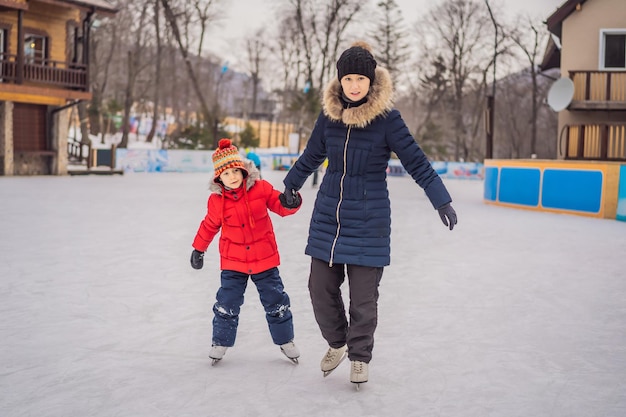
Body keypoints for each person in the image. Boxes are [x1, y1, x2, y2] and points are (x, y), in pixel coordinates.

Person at [279, 41, 458, 386]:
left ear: (371, 81)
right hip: (329, 218)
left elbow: (416, 161)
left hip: (370, 219)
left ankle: (360, 357)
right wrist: (291, 185)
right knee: (319, 289)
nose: (355, 85)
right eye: (348, 78)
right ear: (340, 81)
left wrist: (441, 199)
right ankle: (337, 343)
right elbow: (312, 155)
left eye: (361, 78)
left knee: (364, 299)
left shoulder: (387, 119)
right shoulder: (329, 116)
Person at [190, 138, 303, 365]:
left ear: (243, 170)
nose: (231, 176)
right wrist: (198, 249)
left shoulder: (261, 189)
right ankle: (220, 342)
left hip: (265, 260)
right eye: (225, 173)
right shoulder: (216, 201)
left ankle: (286, 340)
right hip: (233, 263)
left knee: (276, 300)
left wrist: (291, 202)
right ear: (218, 178)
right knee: (227, 302)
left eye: (235, 170)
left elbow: (281, 206)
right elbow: (209, 225)